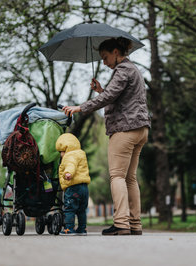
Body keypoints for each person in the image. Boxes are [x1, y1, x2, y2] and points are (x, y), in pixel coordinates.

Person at [63, 37, 151, 236]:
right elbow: (118, 98)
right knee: (130, 178)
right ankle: (135, 224)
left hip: (125, 130)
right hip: (141, 129)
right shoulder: (133, 70)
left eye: (105, 57)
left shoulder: (122, 70)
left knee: (117, 176)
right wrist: (101, 89)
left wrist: (81, 107)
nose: (104, 62)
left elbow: (109, 98)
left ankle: (121, 223)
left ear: (115, 52)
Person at [56, 133, 91, 235]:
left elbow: (71, 165)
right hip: (84, 187)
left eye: (60, 152)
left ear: (65, 149)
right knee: (81, 210)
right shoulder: (81, 154)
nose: (60, 155)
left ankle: (69, 229)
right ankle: (82, 229)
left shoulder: (69, 156)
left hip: (73, 187)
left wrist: (68, 173)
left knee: (69, 208)